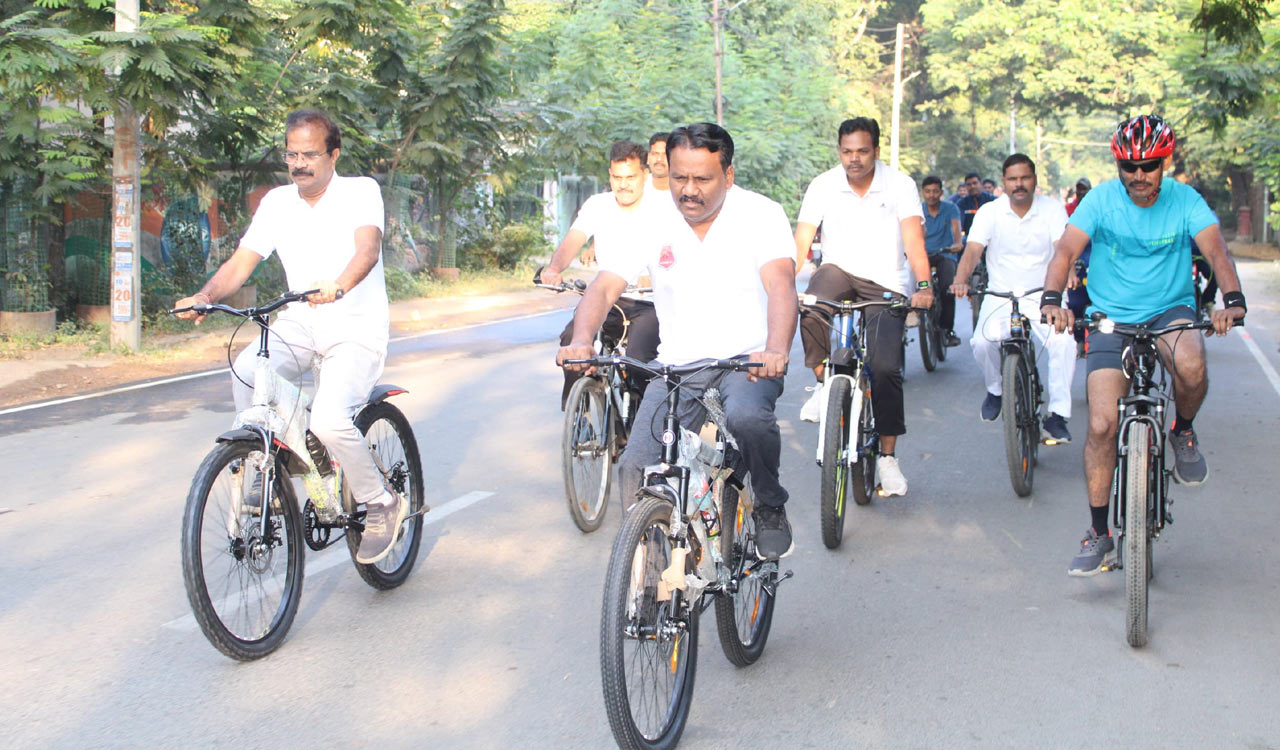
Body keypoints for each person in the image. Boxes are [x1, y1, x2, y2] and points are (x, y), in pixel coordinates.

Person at [558, 123, 798, 559]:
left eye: (702, 178)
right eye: (679, 177)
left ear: (727, 175)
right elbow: (605, 287)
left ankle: (768, 504)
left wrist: (776, 350)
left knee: (747, 419)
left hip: (747, 363)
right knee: (636, 466)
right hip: (678, 367)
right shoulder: (655, 220)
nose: (689, 190)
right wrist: (581, 340)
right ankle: (646, 581)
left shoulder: (761, 214)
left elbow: (781, 286)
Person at [173, 109, 403, 564]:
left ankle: (380, 501)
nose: (299, 163)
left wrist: (339, 284)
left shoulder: (360, 192)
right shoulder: (278, 202)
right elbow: (243, 262)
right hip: (298, 322)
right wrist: (205, 294)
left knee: (330, 421)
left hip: (354, 326)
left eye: (310, 154)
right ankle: (268, 463)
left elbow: (368, 251)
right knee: (245, 373)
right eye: (291, 154)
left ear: (333, 155)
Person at [1041, 114, 1247, 577]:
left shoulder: (1185, 200)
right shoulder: (1100, 200)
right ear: (1118, 165)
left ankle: (1183, 430)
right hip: (1111, 316)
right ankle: (1100, 532)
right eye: (1129, 167)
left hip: (1170, 309)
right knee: (1100, 424)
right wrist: (1053, 299)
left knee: (1192, 367)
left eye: (1149, 166)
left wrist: (1231, 301)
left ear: (1164, 163)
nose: (1139, 176)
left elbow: (1216, 252)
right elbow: (1065, 251)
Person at [793, 117, 933, 497]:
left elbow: (914, 241)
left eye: (862, 151)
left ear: (876, 150)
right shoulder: (823, 184)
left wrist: (923, 286)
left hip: (886, 282)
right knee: (812, 304)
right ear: (839, 150)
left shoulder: (899, 185)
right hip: (839, 272)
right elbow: (803, 237)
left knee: (886, 367)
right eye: (847, 151)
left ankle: (887, 458)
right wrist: (786, 281)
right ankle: (824, 383)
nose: (854, 159)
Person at [951, 154, 1075, 444]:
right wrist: (961, 279)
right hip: (1000, 295)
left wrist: (1068, 272)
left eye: (1025, 178)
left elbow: (1063, 248)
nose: (1019, 184)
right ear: (1003, 183)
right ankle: (996, 389)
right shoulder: (990, 212)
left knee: (1064, 341)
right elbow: (972, 251)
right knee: (982, 342)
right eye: (1012, 179)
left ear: (1034, 180)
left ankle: (1057, 415)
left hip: (1045, 295)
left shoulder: (1053, 209)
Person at [541, 141, 664, 406]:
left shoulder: (664, 207)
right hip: (606, 300)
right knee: (571, 341)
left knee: (638, 360)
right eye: (617, 177)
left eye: (631, 177)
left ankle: (638, 427)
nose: (624, 185)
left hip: (648, 303)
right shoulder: (598, 204)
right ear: (609, 175)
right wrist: (553, 269)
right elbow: (573, 240)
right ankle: (581, 416)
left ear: (645, 175)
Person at [921, 175, 964, 346]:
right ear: (923, 192)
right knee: (913, 283)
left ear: (941, 192)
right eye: (928, 191)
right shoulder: (918, 209)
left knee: (947, 288)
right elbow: (916, 232)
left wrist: (957, 243)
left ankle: (947, 330)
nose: (931, 195)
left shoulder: (950, 208)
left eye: (935, 191)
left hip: (945, 253)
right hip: (923, 254)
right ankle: (911, 316)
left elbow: (956, 228)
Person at [956, 172, 996, 236]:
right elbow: (959, 225)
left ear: (981, 184)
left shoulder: (993, 200)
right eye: (969, 184)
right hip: (970, 239)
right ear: (966, 186)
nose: (972, 186)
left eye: (975, 183)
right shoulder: (961, 203)